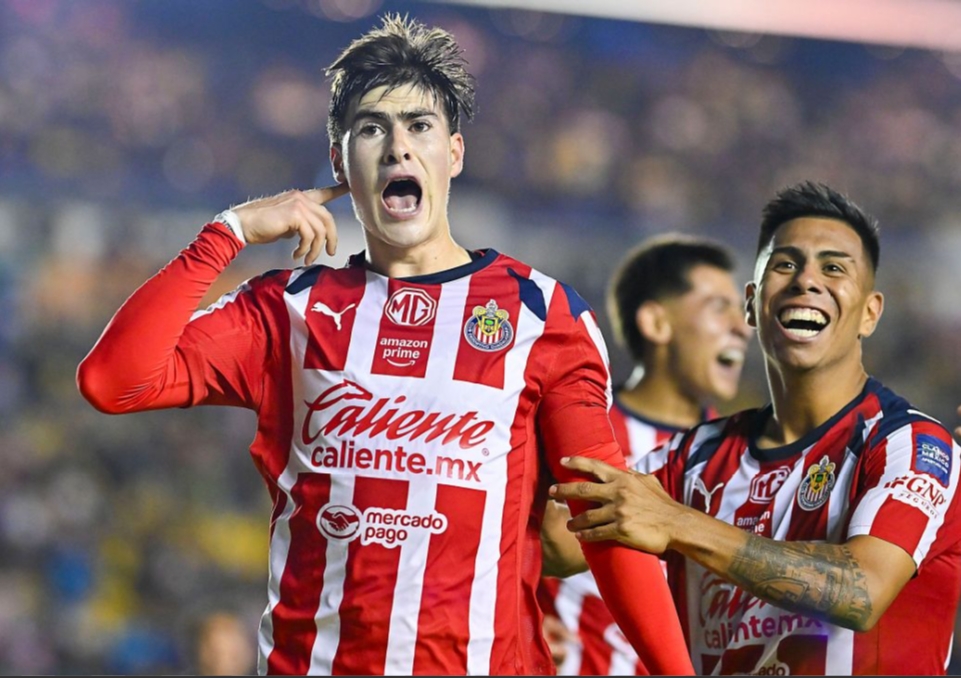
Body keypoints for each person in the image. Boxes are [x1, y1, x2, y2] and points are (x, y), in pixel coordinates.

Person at [76, 14, 692, 677]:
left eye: (419, 126)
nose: (398, 147)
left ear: (453, 154)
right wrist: (227, 232)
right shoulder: (286, 309)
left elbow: (607, 522)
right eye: (371, 128)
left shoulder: (544, 316)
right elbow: (113, 381)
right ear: (340, 162)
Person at [550, 180, 961, 675]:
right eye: (785, 265)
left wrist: (679, 524)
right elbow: (561, 544)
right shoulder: (691, 458)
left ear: (869, 313)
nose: (806, 281)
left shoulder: (911, 445)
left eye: (833, 268)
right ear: (751, 302)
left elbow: (861, 592)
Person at [538, 234, 753, 675]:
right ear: (656, 323)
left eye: (741, 309)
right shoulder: (575, 436)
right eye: (719, 307)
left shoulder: (745, 459)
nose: (743, 325)